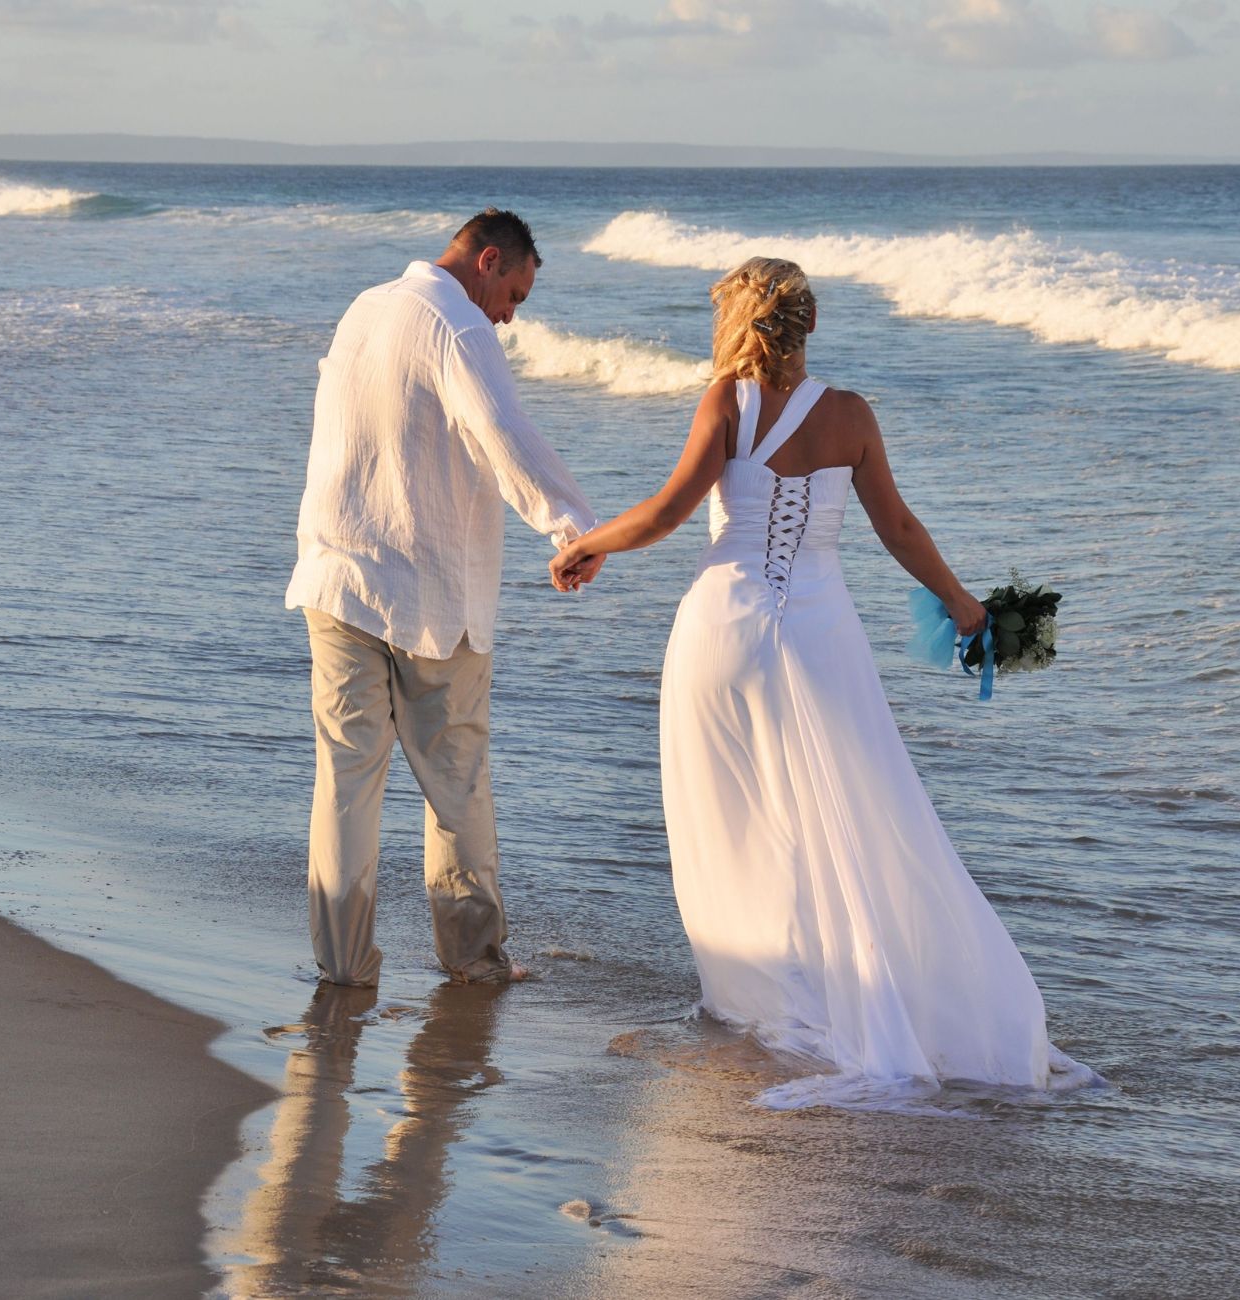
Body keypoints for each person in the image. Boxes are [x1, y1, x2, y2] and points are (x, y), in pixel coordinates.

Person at [550, 257, 1094, 1108]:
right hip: (819, 631)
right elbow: (900, 528)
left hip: (721, 629)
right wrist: (965, 607)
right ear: (810, 325)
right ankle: (869, 993)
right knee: (860, 813)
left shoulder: (726, 403)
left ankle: (766, 998)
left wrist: (588, 545)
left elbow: (664, 513)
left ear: (738, 323)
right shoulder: (852, 416)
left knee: (737, 819)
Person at [287, 209, 598, 987]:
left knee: (346, 781)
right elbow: (503, 431)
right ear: (488, 262)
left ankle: (343, 967)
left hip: (335, 574)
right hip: (428, 591)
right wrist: (572, 530)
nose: (512, 314)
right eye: (515, 293)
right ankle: (473, 961)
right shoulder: (458, 326)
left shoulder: (365, 306)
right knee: (455, 783)